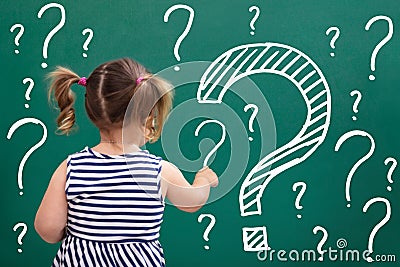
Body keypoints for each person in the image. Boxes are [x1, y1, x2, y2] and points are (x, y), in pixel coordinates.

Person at [34, 58, 218, 267]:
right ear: (146, 115)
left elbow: (47, 229)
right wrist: (203, 179)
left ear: (92, 112)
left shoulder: (71, 168)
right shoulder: (159, 171)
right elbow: (192, 201)